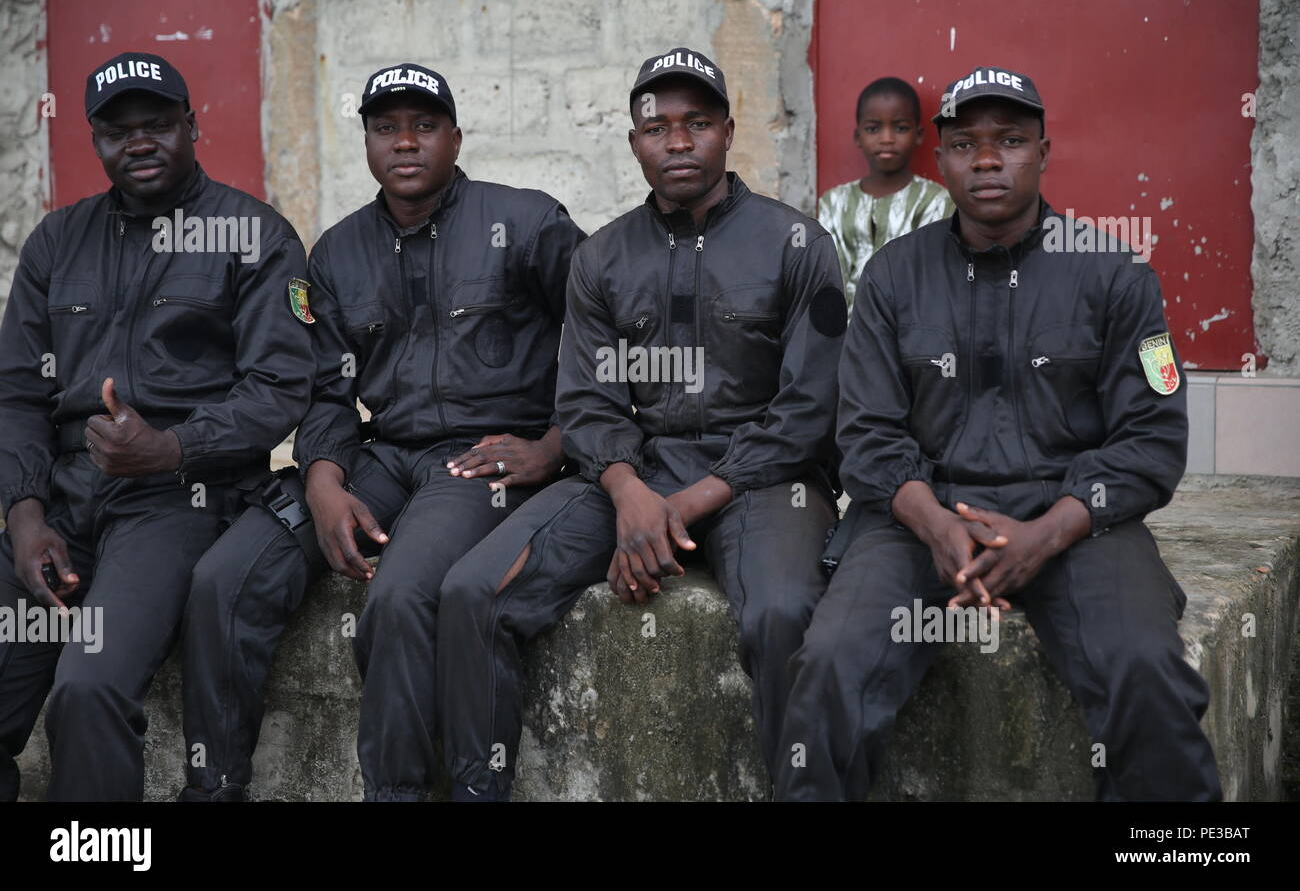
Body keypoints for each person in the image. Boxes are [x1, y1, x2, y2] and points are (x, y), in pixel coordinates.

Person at [776, 66, 1222, 801]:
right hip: (916, 516)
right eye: (965, 144)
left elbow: (1150, 439)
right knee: (829, 662)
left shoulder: (1115, 275)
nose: (988, 160)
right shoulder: (892, 277)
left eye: (1010, 141)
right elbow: (866, 434)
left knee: (1146, 669)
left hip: (1078, 519)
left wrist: (1049, 532)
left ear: (1044, 151)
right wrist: (934, 524)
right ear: (942, 158)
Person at [435, 47, 846, 801]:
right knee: (472, 590)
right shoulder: (602, 257)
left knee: (786, 614)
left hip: (764, 480)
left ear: (728, 131)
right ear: (634, 143)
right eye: (657, 127)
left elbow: (810, 412)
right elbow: (587, 403)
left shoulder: (797, 245)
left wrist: (678, 509)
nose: (678, 142)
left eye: (697, 124)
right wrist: (629, 495)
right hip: (637, 468)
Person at [179, 63, 585, 801]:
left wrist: (556, 444)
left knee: (398, 599)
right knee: (224, 578)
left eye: (424, 126)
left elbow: (600, 336)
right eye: (385, 128)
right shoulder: (336, 252)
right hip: (379, 455)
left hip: (479, 459)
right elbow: (327, 387)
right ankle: (214, 786)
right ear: (365, 140)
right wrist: (323, 476)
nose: (405, 143)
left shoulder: (526, 222)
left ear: (455, 138)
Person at [0, 52, 314, 801]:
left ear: (192, 126)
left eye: (157, 125)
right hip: (63, 498)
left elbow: (280, 388)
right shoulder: (56, 242)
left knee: (88, 688)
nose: (137, 143)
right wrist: (24, 512)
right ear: (94, 140)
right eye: (116, 131)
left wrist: (171, 446)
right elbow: (15, 394)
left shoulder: (256, 236)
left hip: (180, 499)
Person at [817, 76, 952, 306]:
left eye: (900, 128)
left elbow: (933, 278)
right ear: (857, 137)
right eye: (873, 129)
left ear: (919, 135)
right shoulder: (834, 202)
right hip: (845, 333)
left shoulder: (936, 202)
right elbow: (826, 277)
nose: (887, 139)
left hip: (911, 330)